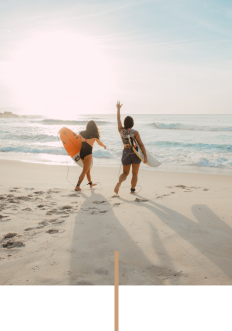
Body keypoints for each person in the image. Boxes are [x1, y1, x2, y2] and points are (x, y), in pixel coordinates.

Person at [114, 101, 147, 195]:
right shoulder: (135, 132)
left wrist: (118, 109)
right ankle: (132, 190)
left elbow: (118, 119)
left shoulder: (121, 131)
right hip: (135, 154)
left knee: (125, 173)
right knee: (135, 173)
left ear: (125, 123)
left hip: (126, 153)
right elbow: (140, 144)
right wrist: (145, 156)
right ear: (132, 123)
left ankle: (119, 183)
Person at [75, 120, 106, 191]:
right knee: (84, 170)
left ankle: (90, 183)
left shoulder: (81, 133)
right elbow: (99, 143)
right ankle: (77, 186)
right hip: (88, 154)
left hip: (81, 154)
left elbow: (76, 141)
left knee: (87, 170)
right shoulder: (94, 134)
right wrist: (104, 146)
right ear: (94, 127)